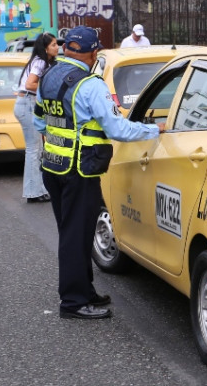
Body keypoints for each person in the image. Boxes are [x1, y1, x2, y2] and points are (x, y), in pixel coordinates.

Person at [34, 26, 163, 320]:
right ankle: (73, 302)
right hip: (80, 170)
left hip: (53, 167)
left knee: (74, 233)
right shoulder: (90, 85)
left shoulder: (47, 76)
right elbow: (118, 129)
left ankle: (85, 291)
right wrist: (154, 129)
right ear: (93, 53)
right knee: (75, 236)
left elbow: (39, 122)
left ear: (67, 48)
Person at [13, 33, 59, 203]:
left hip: (28, 103)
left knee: (37, 149)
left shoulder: (43, 62)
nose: (57, 47)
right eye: (53, 45)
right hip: (27, 103)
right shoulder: (40, 62)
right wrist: (49, 86)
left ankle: (38, 190)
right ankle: (33, 193)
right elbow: (30, 84)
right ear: (45, 48)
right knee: (34, 150)